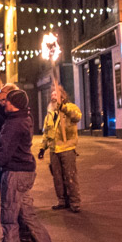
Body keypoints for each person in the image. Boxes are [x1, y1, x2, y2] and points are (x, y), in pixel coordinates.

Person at [0, 89, 55, 242]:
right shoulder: (23, 117)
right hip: (27, 171)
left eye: (7, 101)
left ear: (14, 104)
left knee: (9, 217)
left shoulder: (13, 125)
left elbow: (4, 155)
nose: (4, 103)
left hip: (15, 173)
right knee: (28, 214)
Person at [37, 85, 83, 213]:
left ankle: (75, 202)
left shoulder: (70, 108)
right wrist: (42, 148)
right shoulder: (50, 114)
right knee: (57, 177)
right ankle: (62, 200)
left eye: (55, 95)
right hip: (54, 150)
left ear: (62, 97)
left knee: (70, 176)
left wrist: (64, 108)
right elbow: (46, 133)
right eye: (52, 95)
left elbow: (77, 116)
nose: (53, 97)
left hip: (67, 148)